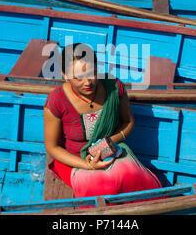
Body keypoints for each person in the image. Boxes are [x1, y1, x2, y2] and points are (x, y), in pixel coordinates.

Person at [43, 43, 162, 200]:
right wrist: (88, 164)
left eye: (91, 73)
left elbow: (128, 123)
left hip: (111, 151)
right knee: (103, 186)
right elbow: (52, 147)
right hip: (74, 159)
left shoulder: (113, 86)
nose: (87, 83)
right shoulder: (56, 101)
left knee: (134, 178)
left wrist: (108, 143)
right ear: (65, 75)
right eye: (78, 77)